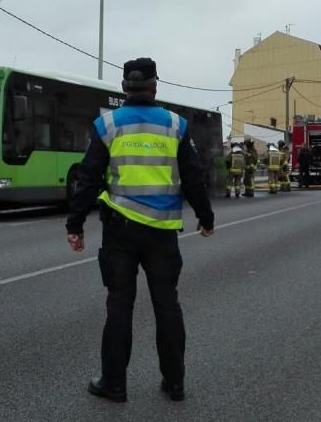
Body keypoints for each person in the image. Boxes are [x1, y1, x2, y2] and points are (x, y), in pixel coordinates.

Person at [65, 57, 215, 404]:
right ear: (155, 86)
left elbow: (87, 179)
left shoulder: (107, 125)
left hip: (120, 230)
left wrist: (75, 225)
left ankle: (114, 384)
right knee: (167, 305)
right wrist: (206, 218)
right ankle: (174, 382)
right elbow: (194, 177)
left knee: (119, 306)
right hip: (162, 233)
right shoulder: (176, 126)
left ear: (123, 87)